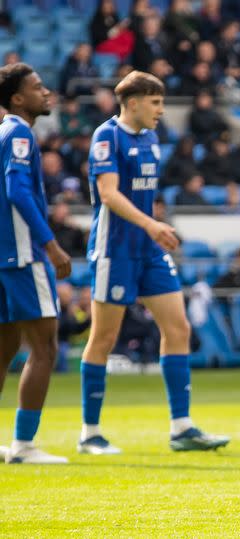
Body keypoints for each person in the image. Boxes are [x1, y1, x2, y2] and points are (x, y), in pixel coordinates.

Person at [78, 71, 229, 455]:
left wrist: (155, 227)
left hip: (149, 250)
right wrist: (151, 224)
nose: (162, 110)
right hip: (115, 250)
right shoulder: (106, 137)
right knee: (104, 338)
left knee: (177, 328)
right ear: (133, 102)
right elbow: (108, 194)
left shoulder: (151, 139)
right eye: (156, 102)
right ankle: (89, 432)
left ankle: (182, 427)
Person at [0, 63, 72, 464]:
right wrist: (51, 245)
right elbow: (17, 192)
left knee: (4, 349)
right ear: (17, 99)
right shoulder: (21, 134)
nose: (46, 92)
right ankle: (24, 446)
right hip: (25, 255)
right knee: (44, 347)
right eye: (37, 87)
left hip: (3, 255)